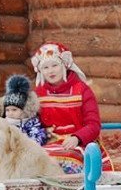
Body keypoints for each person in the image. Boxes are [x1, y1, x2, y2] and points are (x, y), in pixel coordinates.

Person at [31, 42, 112, 173]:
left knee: (67, 161)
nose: (51, 71)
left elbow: (93, 125)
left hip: (79, 142)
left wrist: (77, 137)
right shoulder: (38, 94)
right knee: (36, 161)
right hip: (49, 142)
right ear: (40, 71)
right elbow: (32, 121)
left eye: (55, 65)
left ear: (64, 65)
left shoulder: (82, 90)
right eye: (45, 67)